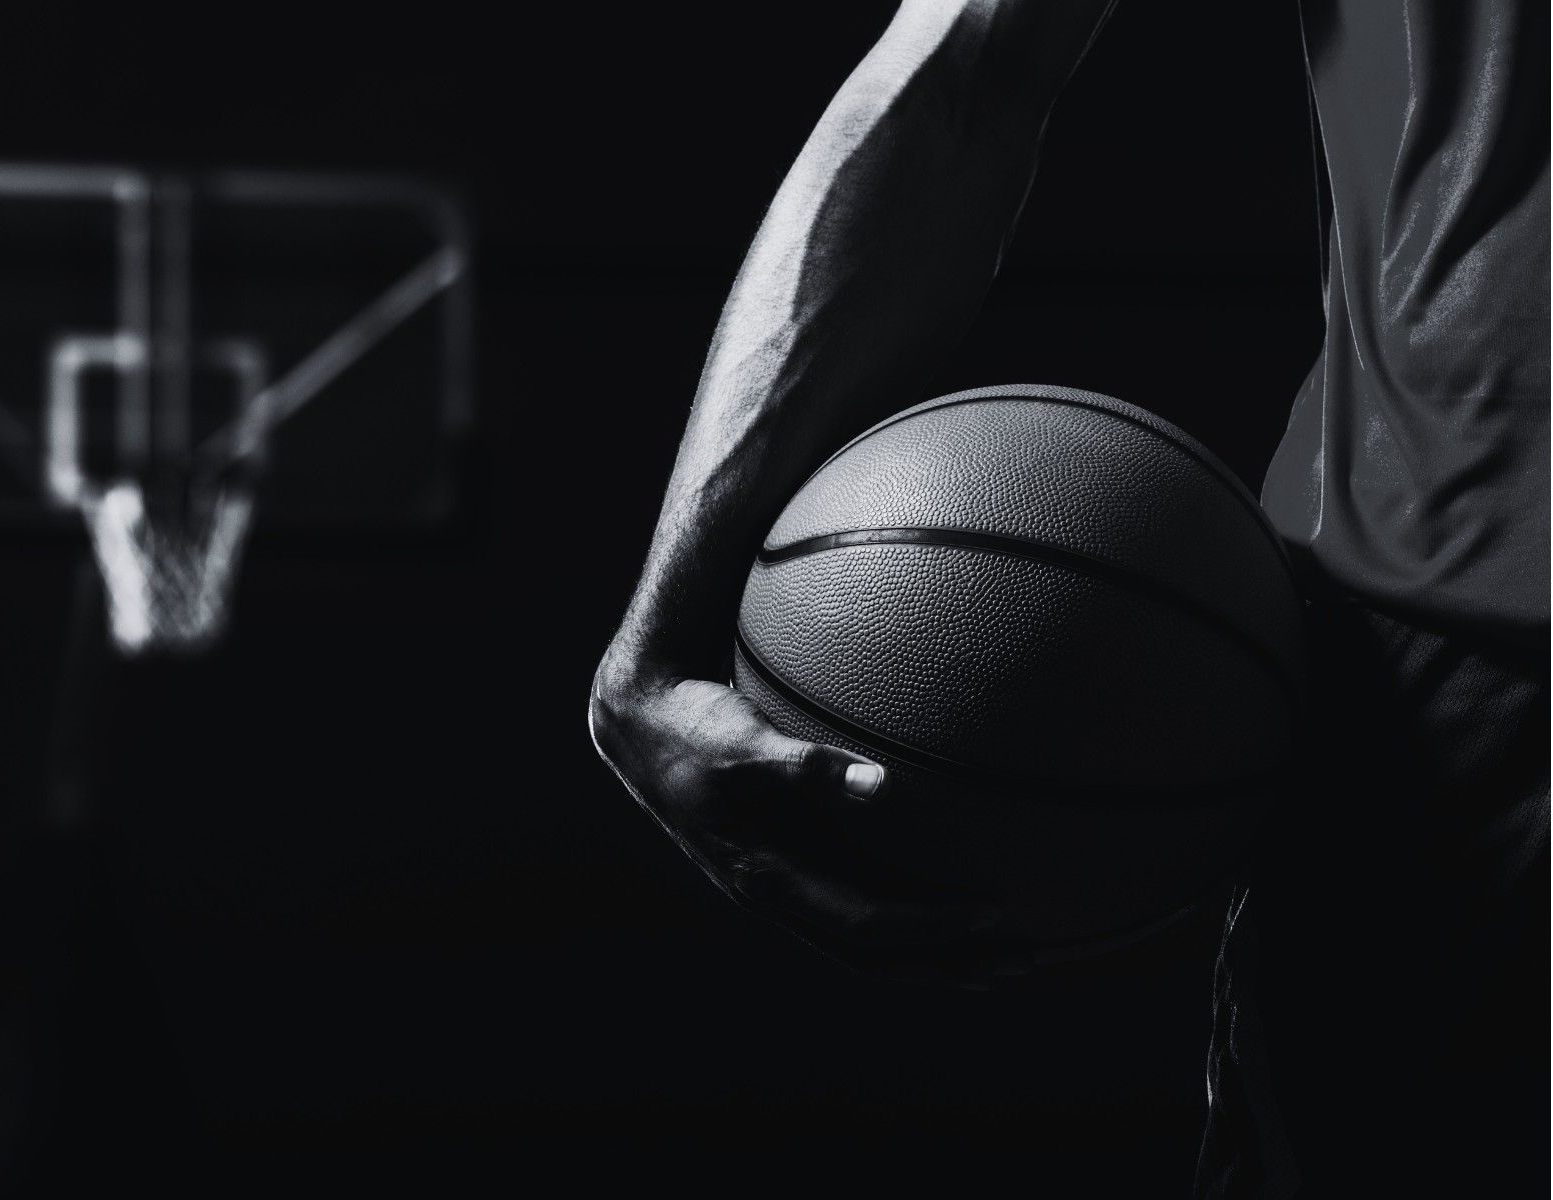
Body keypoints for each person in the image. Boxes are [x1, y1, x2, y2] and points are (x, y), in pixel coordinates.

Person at [587, 0, 1549, 1194]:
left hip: (1464, 685)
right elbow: (965, 80)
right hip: (1460, 706)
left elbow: (966, 81)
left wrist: (659, 648)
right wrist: (662, 643)